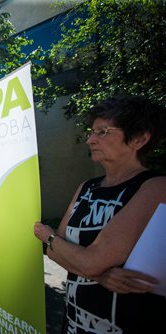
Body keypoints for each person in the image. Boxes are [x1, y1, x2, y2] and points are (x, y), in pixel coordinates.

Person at [33, 95, 166, 333]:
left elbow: (86, 259)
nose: (90, 139)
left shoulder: (155, 187)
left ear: (139, 139)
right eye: (92, 131)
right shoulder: (87, 187)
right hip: (74, 322)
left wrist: (48, 236)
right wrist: (100, 275)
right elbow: (54, 255)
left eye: (103, 132)